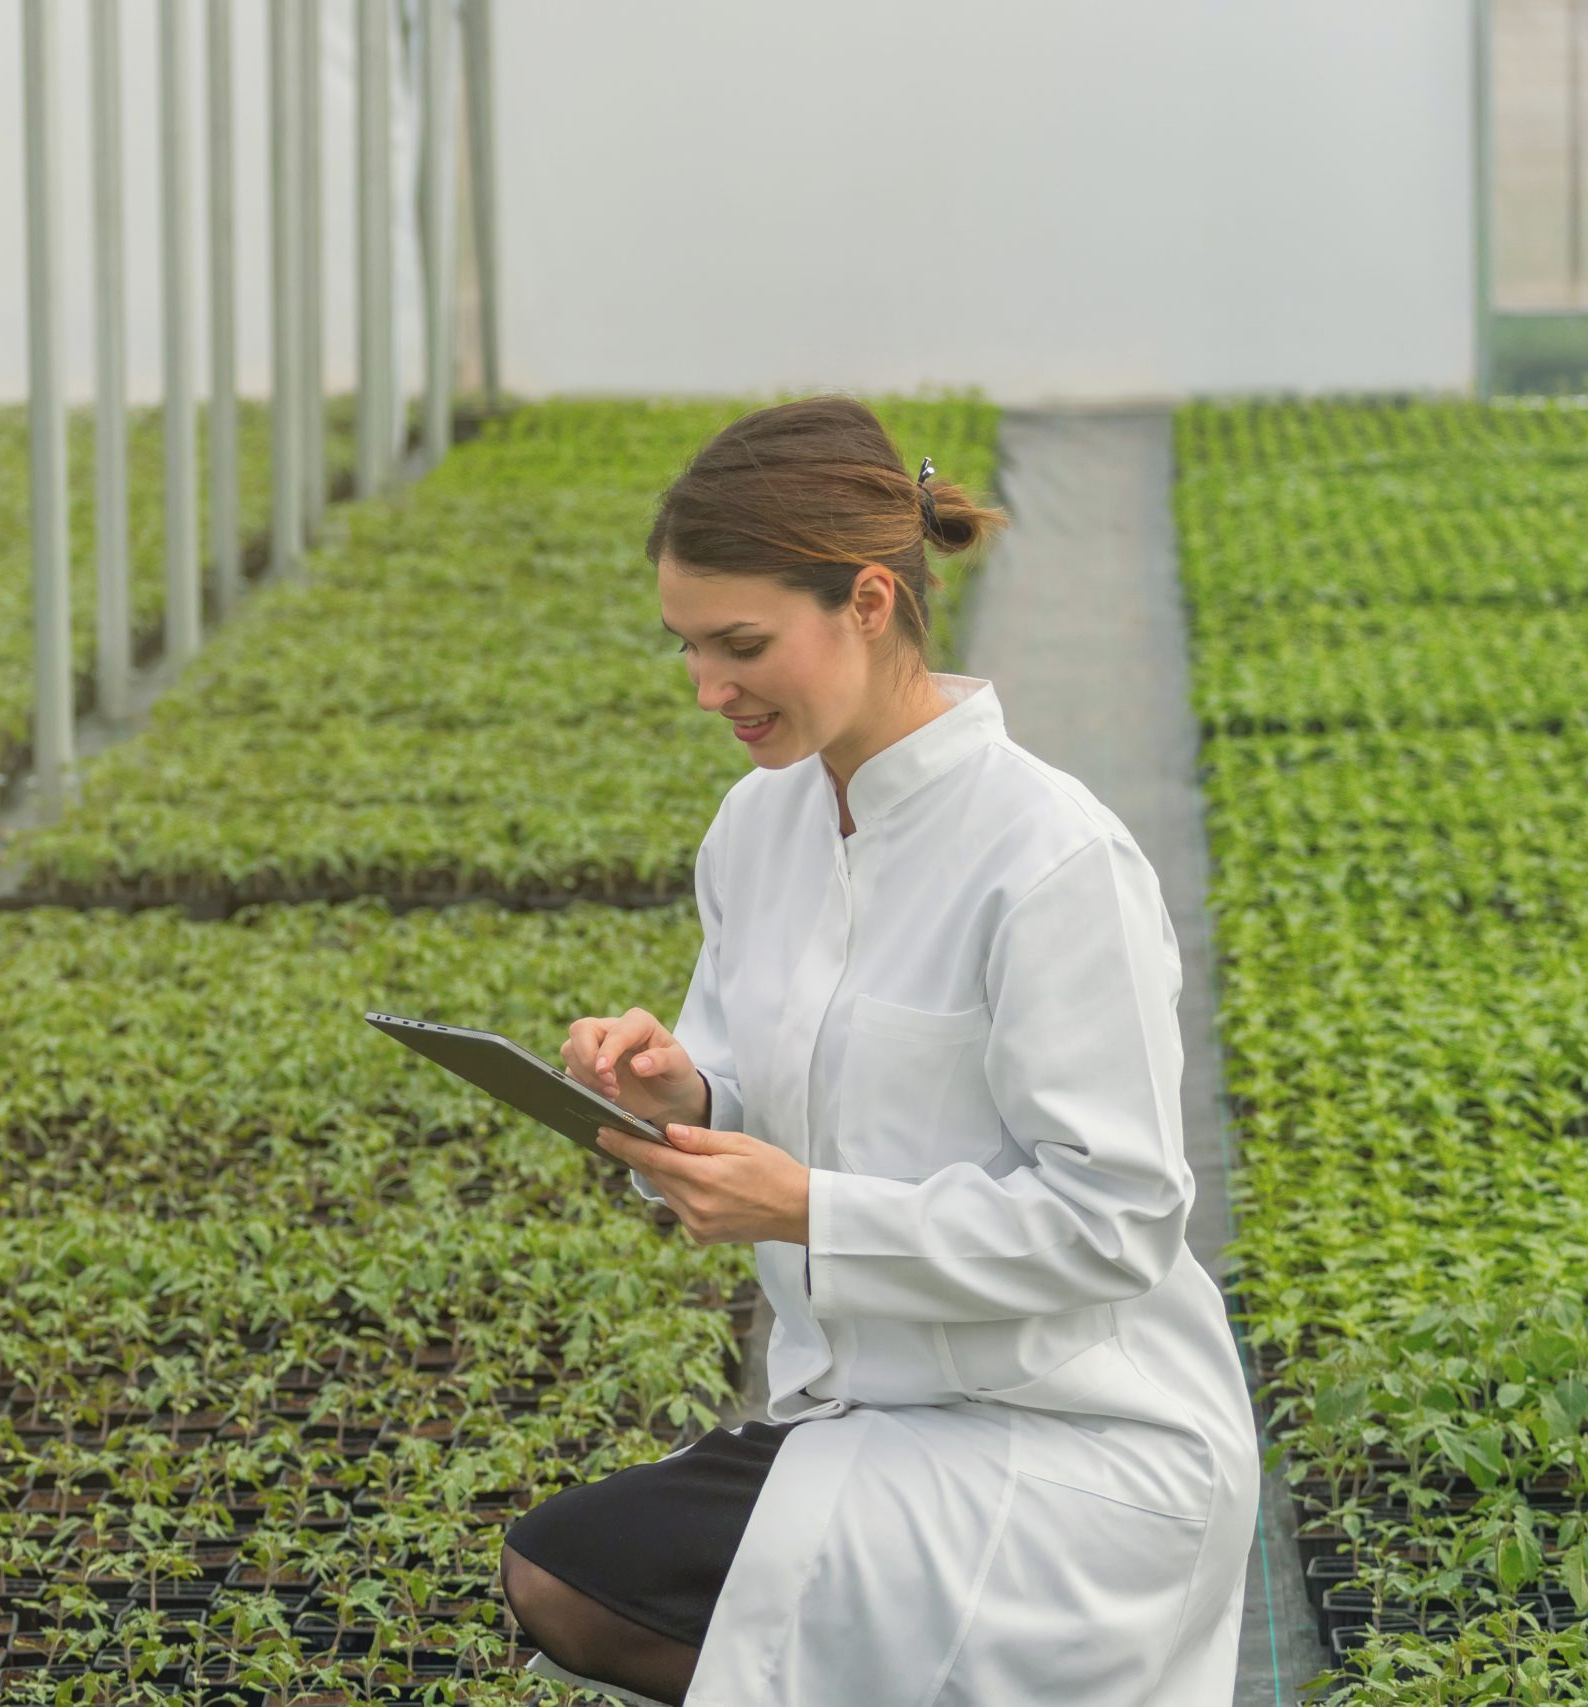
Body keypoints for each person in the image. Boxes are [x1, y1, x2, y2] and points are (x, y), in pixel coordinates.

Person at [498, 395, 1258, 1705]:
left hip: (1076, 1438)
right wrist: (680, 1093)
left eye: (740, 645)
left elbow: (1119, 1222)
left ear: (866, 601)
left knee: (586, 1577)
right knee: (564, 1574)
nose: (707, 691)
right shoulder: (757, 831)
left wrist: (810, 1209)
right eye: (684, 648)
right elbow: (754, 1100)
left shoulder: (1050, 860)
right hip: (865, 1412)